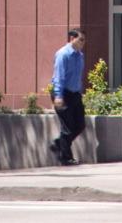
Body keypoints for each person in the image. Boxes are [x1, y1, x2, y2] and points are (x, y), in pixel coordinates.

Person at [50, 28, 88, 166]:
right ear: (72, 39)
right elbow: (59, 77)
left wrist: (79, 92)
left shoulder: (80, 55)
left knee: (80, 125)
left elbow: (77, 77)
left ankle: (58, 144)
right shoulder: (63, 54)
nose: (83, 43)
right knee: (67, 127)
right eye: (81, 40)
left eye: (84, 40)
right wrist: (58, 97)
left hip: (74, 94)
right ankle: (66, 158)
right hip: (62, 93)